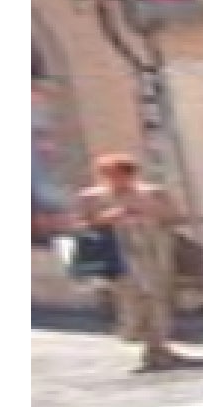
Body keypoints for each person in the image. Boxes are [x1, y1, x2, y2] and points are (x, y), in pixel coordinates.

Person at [71, 153, 188, 371]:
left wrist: (149, 213)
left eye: (122, 174)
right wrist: (105, 218)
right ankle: (138, 335)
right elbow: (80, 225)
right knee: (130, 297)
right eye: (109, 174)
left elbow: (174, 217)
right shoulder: (91, 197)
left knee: (156, 296)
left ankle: (158, 346)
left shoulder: (153, 193)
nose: (116, 179)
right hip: (116, 252)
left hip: (151, 250)